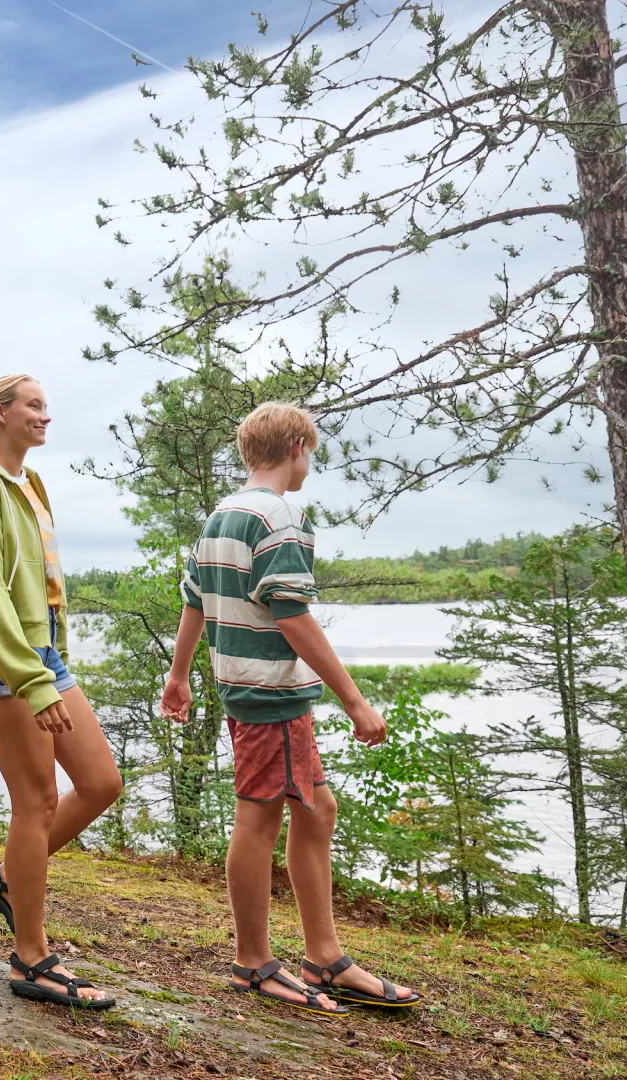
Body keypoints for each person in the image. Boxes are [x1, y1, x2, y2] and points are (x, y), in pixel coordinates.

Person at [160, 403, 423, 1015]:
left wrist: (179, 676)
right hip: (271, 694)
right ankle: (253, 963)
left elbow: (194, 599)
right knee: (259, 820)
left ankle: (324, 956)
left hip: (249, 689)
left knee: (316, 807)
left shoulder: (222, 515)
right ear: (299, 446)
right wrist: (355, 700)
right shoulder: (282, 517)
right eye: (314, 449)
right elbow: (291, 612)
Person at [0, 374, 123, 1011]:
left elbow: (43, 590)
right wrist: (30, 678)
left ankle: (6, 880)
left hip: (40, 657)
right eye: (34, 406)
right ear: (0, 414)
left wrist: (53, 667)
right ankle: (31, 958)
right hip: (2, 659)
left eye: (47, 405)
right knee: (38, 800)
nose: (45, 415)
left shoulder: (30, 485)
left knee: (102, 781)